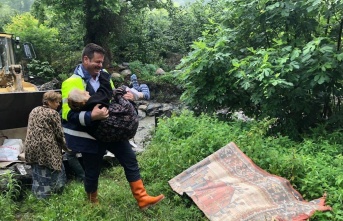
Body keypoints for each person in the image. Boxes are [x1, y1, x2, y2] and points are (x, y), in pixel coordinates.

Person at [61, 43, 164, 208]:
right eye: (97, 62)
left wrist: (127, 96)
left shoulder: (104, 75)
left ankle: (142, 198)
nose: (100, 66)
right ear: (85, 59)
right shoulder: (71, 83)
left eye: (102, 62)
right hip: (91, 135)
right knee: (93, 170)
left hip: (111, 129)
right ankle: (92, 202)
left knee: (130, 158)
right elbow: (68, 115)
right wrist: (91, 116)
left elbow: (112, 96)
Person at [24, 90, 70, 199]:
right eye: (56, 102)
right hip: (46, 148)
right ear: (49, 102)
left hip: (31, 146)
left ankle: (38, 195)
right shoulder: (53, 113)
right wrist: (67, 147)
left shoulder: (34, 110)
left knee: (37, 171)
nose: (59, 104)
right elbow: (59, 134)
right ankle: (53, 195)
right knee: (54, 169)